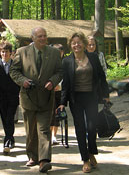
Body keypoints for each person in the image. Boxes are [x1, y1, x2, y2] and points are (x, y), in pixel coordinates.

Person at [10, 27, 62, 173]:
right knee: (31, 130)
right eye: (39, 36)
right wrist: (23, 81)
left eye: (44, 36)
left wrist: (52, 81)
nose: (43, 38)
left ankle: (44, 160)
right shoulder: (22, 52)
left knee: (44, 130)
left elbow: (60, 71)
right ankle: (33, 156)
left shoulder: (54, 53)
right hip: (28, 98)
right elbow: (14, 71)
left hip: (46, 98)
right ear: (32, 38)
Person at [58, 32, 109, 173]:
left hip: (91, 97)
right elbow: (66, 84)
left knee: (92, 128)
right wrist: (62, 102)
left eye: (79, 42)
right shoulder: (67, 61)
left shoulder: (93, 57)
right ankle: (85, 159)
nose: (76, 45)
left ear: (84, 44)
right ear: (70, 45)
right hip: (76, 100)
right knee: (80, 129)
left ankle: (92, 151)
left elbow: (101, 77)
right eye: (73, 43)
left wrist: (106, 95)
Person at [0, 41, 20, 154]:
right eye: (2, 52)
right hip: (1, 97)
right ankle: (10, 138)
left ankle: (7, 140)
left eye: (7, 52)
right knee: (4, 118)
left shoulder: (16, 65)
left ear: (11, 53)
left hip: (13, 96)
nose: (4, 54)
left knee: (10, 117)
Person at [50, 44, 65, 145]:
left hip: (60, 92)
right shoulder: (48, 63)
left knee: (57, 114)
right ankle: (49, 134)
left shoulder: (65, 63)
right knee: (49, 114)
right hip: (50, 91)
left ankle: (54, 136)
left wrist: (60, 85)